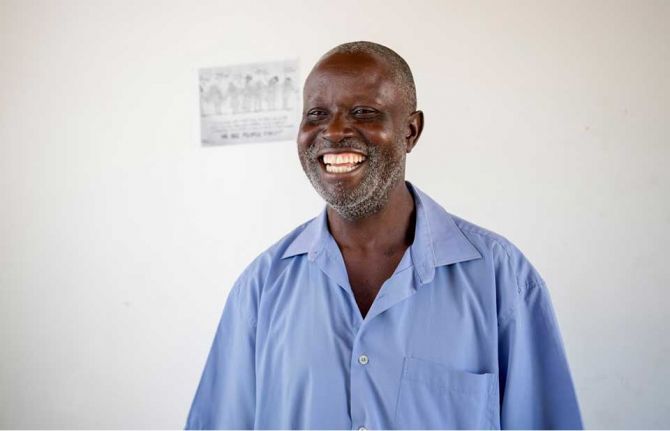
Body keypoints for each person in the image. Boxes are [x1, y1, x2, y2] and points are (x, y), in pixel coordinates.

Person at [186, 41, 583, 430]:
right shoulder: (261, 289)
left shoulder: (502, 279)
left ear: (410, 131)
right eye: (316, 114)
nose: (334, 131)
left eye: (363, 112)